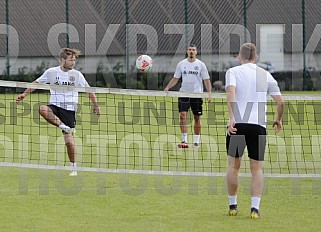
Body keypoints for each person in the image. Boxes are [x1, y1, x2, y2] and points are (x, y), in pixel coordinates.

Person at [16, 48, 100, 176]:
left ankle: (73, 168)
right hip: (54, 105)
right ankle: (63, 126)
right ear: (63, 60)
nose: (73, 62)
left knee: (69, 141)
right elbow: (36, 83)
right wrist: (24, 94)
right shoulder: (51, 72)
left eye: (75, 60)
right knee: (41, 108)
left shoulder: (77, 75)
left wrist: (96, 105)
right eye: (71, 60)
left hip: (69, 110)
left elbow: (89, 90)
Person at [225, 43, 284, 219]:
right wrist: (278, 119)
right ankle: (254, 209)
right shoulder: (265, 75)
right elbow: (280, 103)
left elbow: (230, 92)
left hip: (238, 125)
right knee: (257, 169)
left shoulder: (233, 72)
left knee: (233, 167)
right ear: (256, 57)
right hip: (258, 127)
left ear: (239, 56)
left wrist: (232, 117)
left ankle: (233, 206)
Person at [164, 44, 212, 148]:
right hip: (184, 94)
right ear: (187, 51)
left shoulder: (201, 65)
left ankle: (196, 141)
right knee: (182, 116)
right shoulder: (181, 64)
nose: (191, 51)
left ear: (196, 52)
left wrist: (209, 93)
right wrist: (168, 87)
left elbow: (206, 80)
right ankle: (184, 140)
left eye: (193, 50)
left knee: (197, 118)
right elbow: (176, 78)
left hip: (197, 95)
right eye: (189, 49)